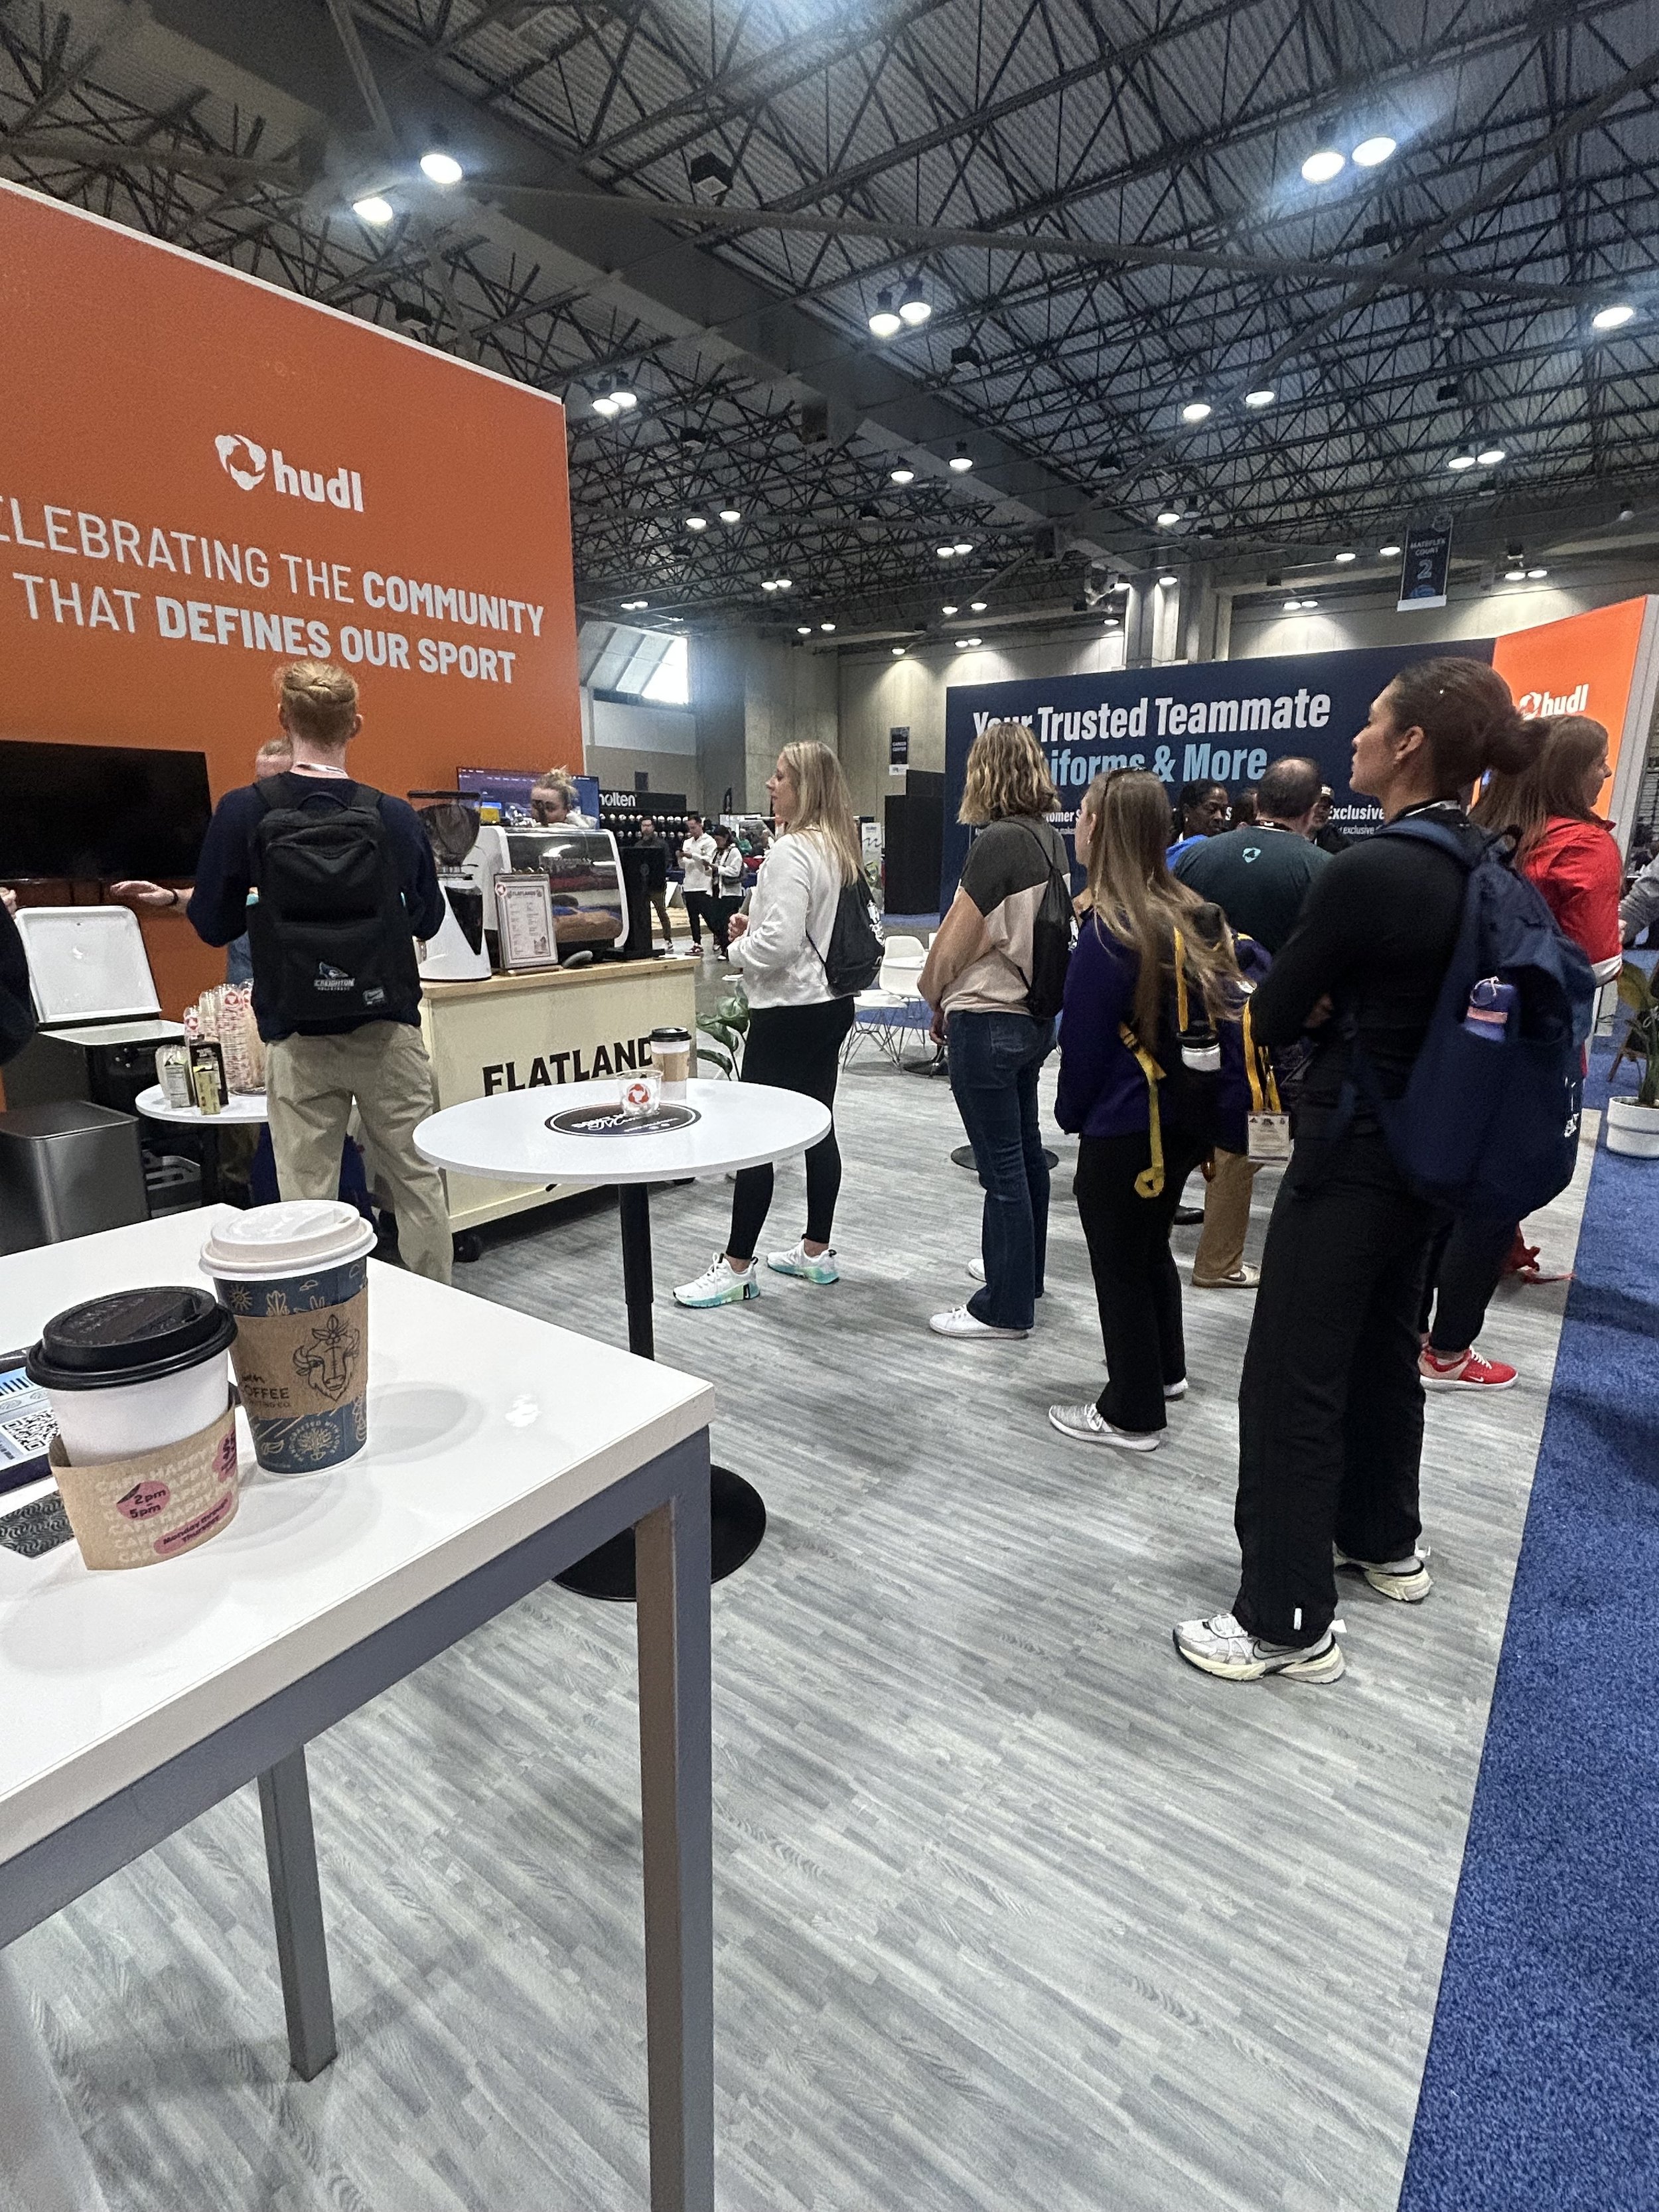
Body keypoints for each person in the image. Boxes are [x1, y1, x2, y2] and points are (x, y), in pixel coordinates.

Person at [1174, 658, 1544, 1685]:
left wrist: (1312, 997)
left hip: (1351, 1150)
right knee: (1386, 1347)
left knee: (1293, 1374)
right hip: (1433, 1149)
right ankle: (1386, 1540)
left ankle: (1285, 1616)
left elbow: (1277, 1012)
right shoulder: (1479, 859)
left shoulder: (1373, 870)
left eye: (1372, 726)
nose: (1355, 744)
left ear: (1412, 743)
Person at [186, 661, 453, 1285]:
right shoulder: (390, 816)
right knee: (416, 1183)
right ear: (355, 725)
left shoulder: (242, 812)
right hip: (388, 1034)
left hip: (296, 1038)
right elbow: (430, 919)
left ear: (284, 719)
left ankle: (319, 1318)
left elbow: (210, 924)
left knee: (306, 1196)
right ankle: (444, 1317)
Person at [1419, 712, 1624, 1386]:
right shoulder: (1583, 847)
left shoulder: (1470, 833)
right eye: (1599, 761)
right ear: (1570, 771)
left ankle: (1411, 1328)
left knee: (1440, 1189)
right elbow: (1595, 966)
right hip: (1529, 1049)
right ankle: (1447, 1352)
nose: (1607, 773)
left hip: (1448, 1038)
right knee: (1494, 1194)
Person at [1048, 771, 1242, 1449]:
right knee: (1148, 1244)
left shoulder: (1109, 931)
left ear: (1100, 827)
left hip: (1129, 1123)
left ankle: (1131, 1409)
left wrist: (1070, 1116)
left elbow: (1084, 1042)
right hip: (1186, 1117)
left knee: (1118, 1262)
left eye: (1084, 816)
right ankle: (1164, 1371)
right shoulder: (1191, 911)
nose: (1076, 827)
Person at [673, 745, 863, 1307]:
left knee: (756, 1138)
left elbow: (777, 947)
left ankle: (737, 1265)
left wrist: (736, 947)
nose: (770, 783)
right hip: (830, 1004)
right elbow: (803, 931)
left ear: (803, 787)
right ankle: (815, 1250)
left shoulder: (790, 852)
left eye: (780, 776)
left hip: (786, 1014)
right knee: (818, 1126)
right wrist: (753, 924)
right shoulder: (839, 849)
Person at [919, 720, 1066, 1341]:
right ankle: (1020, 1272)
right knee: (1025, 1153)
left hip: (989, 1017)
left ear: (985, 772)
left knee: (1000, 1167)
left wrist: (931, 994)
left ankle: (1003, 1308)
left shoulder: (998, 842)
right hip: (1035, 1018)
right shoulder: (1049, 838)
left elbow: (956, 941)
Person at [1174, 755, 1332, 1292]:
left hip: (1190, 1024)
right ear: (1314, 810)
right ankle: (1220, 1259)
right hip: (1272, 1039)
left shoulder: (1194, 860)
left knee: (1190, 1130)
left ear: (1257, 801)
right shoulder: (1320, 869)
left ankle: (1187, 1241)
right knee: (1249, 1143)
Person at [112, 735, 293, 982]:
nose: (264, 793)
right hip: (247, 971)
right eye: (261, 781)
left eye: (276, 782)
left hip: (297, 971)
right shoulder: (243, 829)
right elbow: (219, 898)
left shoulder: (326, 835)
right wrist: (171, 897)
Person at [632, 816, 676, 948]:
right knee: (642, 914)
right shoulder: (637, 846)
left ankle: (668, 939)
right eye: (643, 825)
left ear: (653, 827)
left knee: (661, 912)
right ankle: (644, 939)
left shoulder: (662, 844)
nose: (646, 828)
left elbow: (668, 861)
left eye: (648, 825)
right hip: (642, 886)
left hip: (657, 884)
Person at [678, 811, 717, 952]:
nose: (691, 831)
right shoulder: (687, 842)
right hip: (690, 885)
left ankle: (719, 937)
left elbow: (709, 861)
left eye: (694, 827)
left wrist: (692, 855)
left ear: (700, 825)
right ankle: (697, 942)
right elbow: (684, 865)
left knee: (708, 916)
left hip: (703, 884)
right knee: (692, 917)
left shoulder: (709, 842)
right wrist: (680, 858)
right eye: (689, 828)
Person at [1167, 779, 1229, 865]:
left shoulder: (1229, 852)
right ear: (1187, 811)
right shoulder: (1163, 848)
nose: (1219, 817)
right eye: (1211, 809)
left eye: (1223, 811)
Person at [710, 824, 746, 956]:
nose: (717, 842)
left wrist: (718, 869)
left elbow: (735, 871)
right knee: (717, 922)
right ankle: (724, 947)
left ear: (726, 838)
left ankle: (729, 949)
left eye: (719, 839)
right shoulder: (716, 852)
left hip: (730, 893)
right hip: (717, 891)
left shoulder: (734, 852)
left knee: (729, 923)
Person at [529, 769, 595, 828]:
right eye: (536, 806)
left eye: (549, 808)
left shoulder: (584, 836)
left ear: (567, 809)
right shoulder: (523, 830)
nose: (541, 813)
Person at [1311, 786, 1348, 855]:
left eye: (1325, 807)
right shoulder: (1290, 834)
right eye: (1317, 806)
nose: (1321, 811)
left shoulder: (1337, 839)